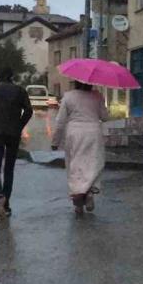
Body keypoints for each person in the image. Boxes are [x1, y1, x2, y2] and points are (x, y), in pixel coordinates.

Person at [0, 67, 33, 220]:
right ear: (12, 77)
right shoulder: (20, 91)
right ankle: (6, 205)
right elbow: (28, 111)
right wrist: (19, 126)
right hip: (13, 134)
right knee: (9, 169)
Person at [51, 81, 110, 214]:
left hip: (75, 133)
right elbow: (105, 117)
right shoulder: (97, 96)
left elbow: (60, 121)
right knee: (93, 163)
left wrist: (55, 141)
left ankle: (78, 199)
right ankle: (89, 192)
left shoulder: (68, 96)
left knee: (76, 164)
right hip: (93, 133)